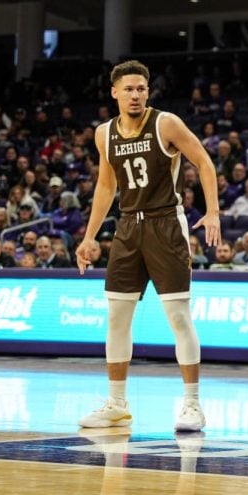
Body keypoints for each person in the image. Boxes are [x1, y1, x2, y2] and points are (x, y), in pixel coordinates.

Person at [75, 60, 221, 432]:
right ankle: (117, 404)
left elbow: (204, 162)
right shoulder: (104, 134)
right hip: (127, 227)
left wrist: (213, 212)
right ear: (114, 92)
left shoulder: (166, 123)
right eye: (129, 89)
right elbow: (107, 186)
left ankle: (192, 405)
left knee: (177, 316)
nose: (136, 94)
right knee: (117, 317)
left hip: (166, 224)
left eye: (141, 88)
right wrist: (89, 236)